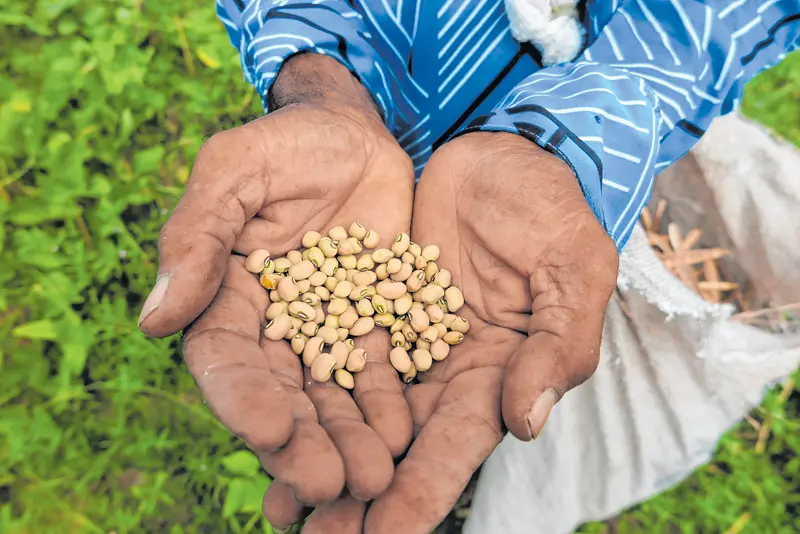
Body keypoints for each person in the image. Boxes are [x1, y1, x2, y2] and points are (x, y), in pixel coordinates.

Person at [138, 1, 800, 532]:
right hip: (354, 150)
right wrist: (320, 81)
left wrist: (571, 145)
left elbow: (718, 16)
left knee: (505, 364)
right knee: (447, 394)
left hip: (529, 213)